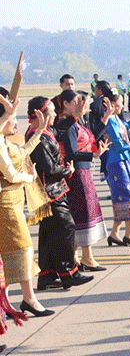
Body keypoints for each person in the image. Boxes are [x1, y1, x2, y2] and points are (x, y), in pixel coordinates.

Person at [26, 97, 93, 290]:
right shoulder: (38, 138)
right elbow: (50, 169)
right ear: (40, 114)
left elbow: (59, 129)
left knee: (49, 233)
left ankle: (47, 275)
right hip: (50, 193)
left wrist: (74, 117)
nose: (56, 113)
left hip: (50, 191)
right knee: (65, 228)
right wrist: (68, 171)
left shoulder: (44, 132)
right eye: (52, 111)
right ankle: (69, 273)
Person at [0, 90, 53, 317]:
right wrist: (30, 178)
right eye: (12, 118)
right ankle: (28, 299)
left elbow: (22, 153)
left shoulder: (6, 141)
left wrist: (39, 131)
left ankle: (11, 301)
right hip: (5, 204)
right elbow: (11, 175)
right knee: (23, 249)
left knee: (10, 253)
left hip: (13, 202)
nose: (15, 122)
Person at [54, 90, 110, 271]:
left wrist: (106, 116)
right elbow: (71, 153)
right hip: (77, 173)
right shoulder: (67, 125)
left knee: (85, 212)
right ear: (66, 104)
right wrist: (93, 155)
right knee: (83, 213)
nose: (81, 104)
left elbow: (92, 138)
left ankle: (76, 256)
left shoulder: (77, 123)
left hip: (84, 171)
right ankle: (86, 256)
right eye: (77, 101)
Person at [100, 89, 130, 247]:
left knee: (128, 194)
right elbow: (119, 145)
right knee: (124, 196)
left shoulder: (116, 119)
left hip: (122, 161)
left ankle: (116, 233)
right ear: (113, 104)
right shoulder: (110, 121)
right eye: (120, 103)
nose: (122, 106)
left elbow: (126, 125)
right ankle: (128, 234)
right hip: (116, 162)